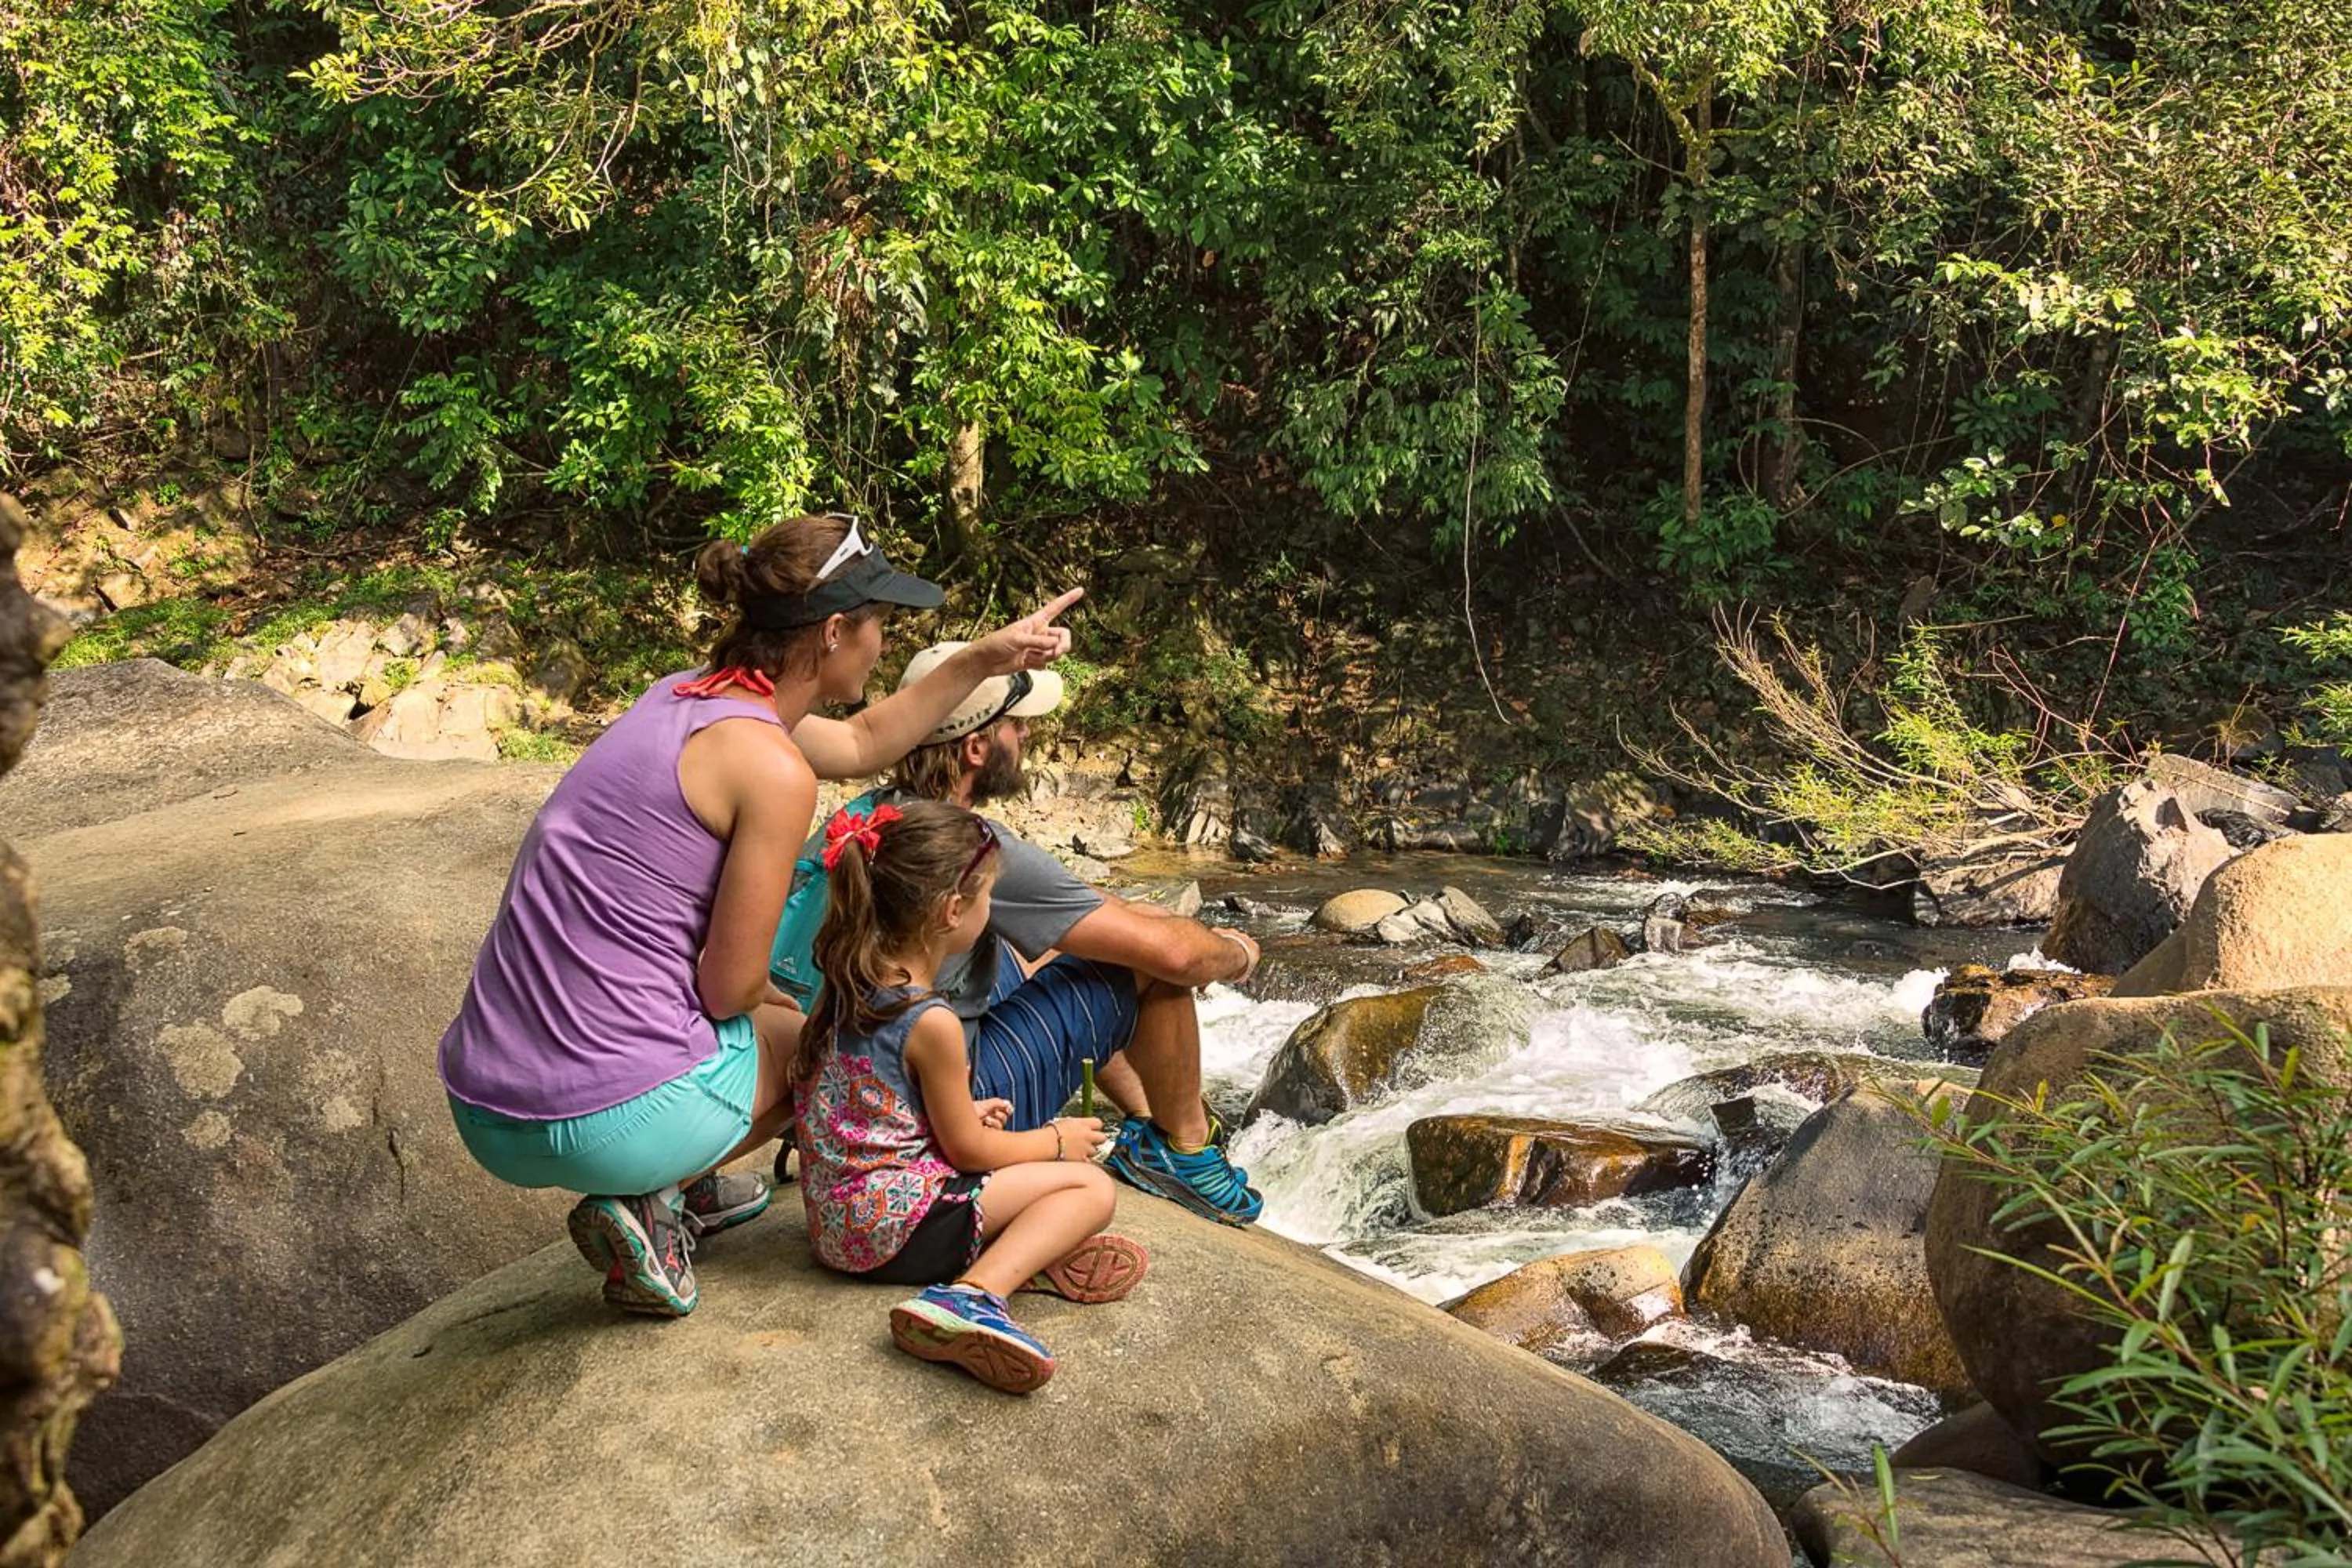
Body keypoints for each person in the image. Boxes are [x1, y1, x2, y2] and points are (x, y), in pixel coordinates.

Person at [439, 511, 1078, 1317]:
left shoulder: (683, 697)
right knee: (815, 1031)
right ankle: (655, 1201)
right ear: (836, 631)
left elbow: (864, 741)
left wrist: (987, 658)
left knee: (769, 1013)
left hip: (484, 1105)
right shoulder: (773, 769)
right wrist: (778, 1002)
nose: (883, 642)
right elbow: (727, 985)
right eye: (879, 623)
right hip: (594, 1121)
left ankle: (683, 1182)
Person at [772, 640, 1268, 1225]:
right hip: (936, 1104)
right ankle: (1186, 1152)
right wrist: (1236, 953)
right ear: (977, 746)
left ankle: (1141, 1120)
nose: (1027, 736)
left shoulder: (871, 816)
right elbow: (1175, 957)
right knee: (1139, 964)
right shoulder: (973, 850)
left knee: (1046, 942)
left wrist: (1150, 919)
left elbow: (1086, 914)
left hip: (850, 1087)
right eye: (1015, 725)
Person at [797, 800, 1148, 1395]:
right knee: (1089, 1189)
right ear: (952, 912)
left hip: (837, 1223)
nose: (991, 912)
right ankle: (973, 1296)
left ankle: (1012, 1253)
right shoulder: (929, 1019)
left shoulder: (850, 976)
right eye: (987, 898)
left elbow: (873, 1101)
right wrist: (1056, 1140)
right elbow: (967, 1152)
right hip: (889, 1234)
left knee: (1034, 1180)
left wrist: (962, 1115)